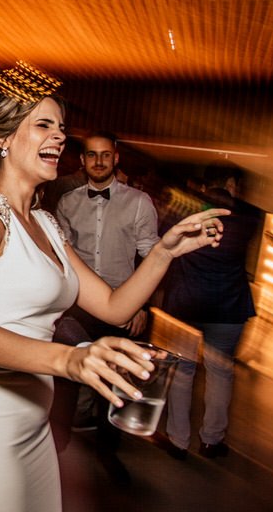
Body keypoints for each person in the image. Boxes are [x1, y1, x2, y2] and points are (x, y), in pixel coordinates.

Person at [0, 93, 229, 512]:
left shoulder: (46, 223)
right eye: (44, 125)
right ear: (4, 140)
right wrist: (71, 361)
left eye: (62, 128)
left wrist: (165, 252)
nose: (59, 138)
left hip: (33, 426)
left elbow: (113, 306)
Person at [51, 130, 160, 482]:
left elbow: (151, 258)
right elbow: (61, 261)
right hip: (78, 307)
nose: (99, 162)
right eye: (92, 155)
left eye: (105, 155)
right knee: (65, 377)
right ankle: (56, 446)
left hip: (123, 306)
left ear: (116, 159)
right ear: (82, 161)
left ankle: (107, 452)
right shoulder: (67, 203)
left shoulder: (140, 203)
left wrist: (143, 307)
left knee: (115, 386)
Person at [161, 161, 262, 460]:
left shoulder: (184, 209)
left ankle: (178, 441)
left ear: (205, 185)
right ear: (232, 183)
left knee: (182, 372)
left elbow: (163, 238)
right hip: (228, 307)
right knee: (220, 374)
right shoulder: (252, 215)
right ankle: (211, 440)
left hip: (185, 304)